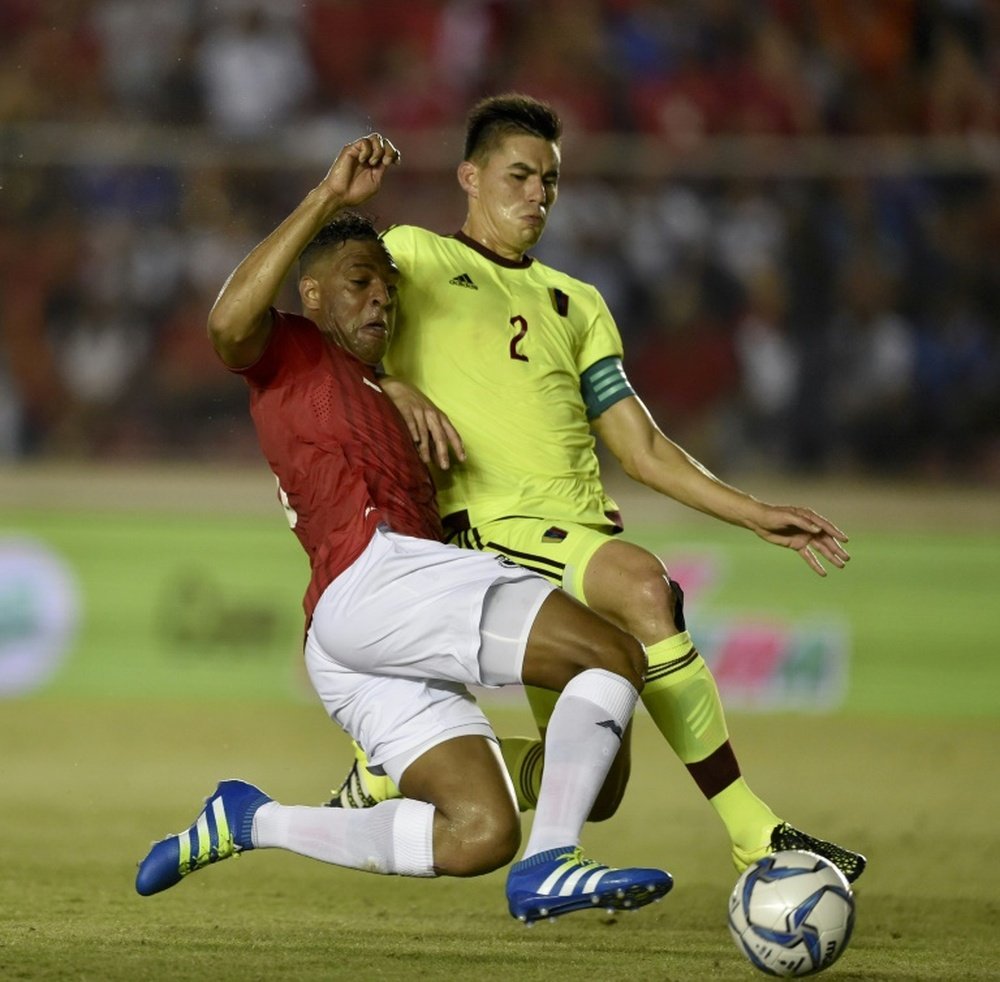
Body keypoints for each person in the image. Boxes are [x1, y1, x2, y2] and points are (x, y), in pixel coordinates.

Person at [133, 134, 674, 924]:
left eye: (388, 289)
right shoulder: (290, 348)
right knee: (614, 655)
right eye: (359, 283)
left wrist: (397, 384)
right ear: (311, 295)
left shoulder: (381, 387)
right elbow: (226, 324)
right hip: (378, 575)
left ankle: (251, 820)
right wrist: (326, 198)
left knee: (481, 832)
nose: (381, 299)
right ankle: (553, 861)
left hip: (348, 635)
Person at [328, 96, 867, 884]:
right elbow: (325, 322)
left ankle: (396, 769)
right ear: (469, 178)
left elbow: (641, 447)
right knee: (646, 585)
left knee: (594, 783)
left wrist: (753, 513)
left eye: (549, 181)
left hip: (573, 532)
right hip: (490, 528)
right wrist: (390, 386)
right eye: (518, 176)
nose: (536, 195)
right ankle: (755, 829)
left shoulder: (578, 304)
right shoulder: (414, 255)